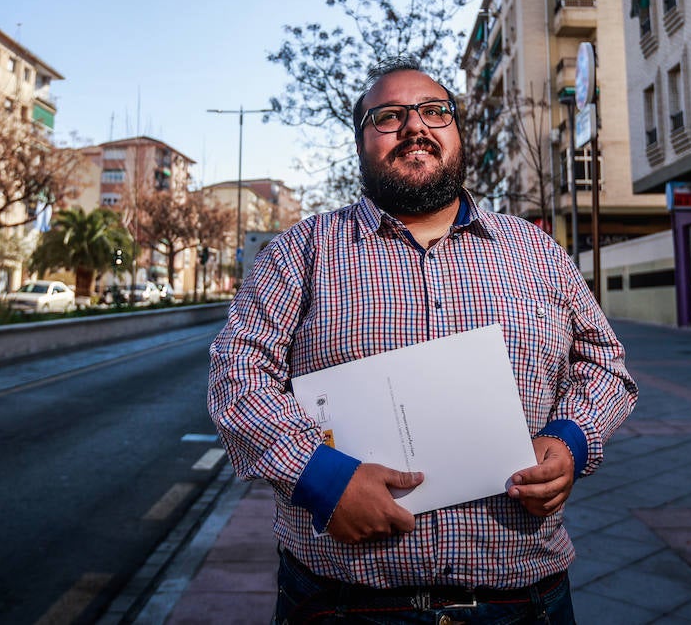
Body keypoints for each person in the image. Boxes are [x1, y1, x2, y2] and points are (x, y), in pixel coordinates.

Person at [207, 56, 638, 624]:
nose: (415, 126)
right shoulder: (299, 252)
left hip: (521, 597)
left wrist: (571, 439)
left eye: (434, 111)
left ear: (458, 132)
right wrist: (321, 478)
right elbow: (236, 376)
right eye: (388, 116)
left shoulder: (537, 252)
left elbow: (603, 360)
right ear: (360, 142)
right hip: (342, 603)